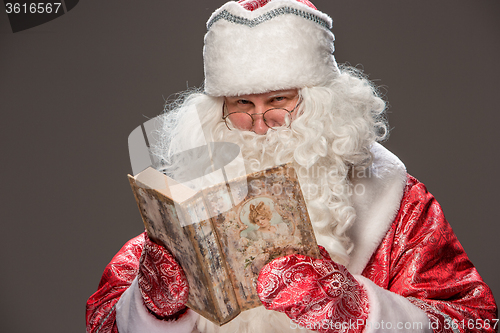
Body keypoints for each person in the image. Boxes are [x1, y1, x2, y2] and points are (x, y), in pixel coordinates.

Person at [86, 0, 498, 332]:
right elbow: (102, 317)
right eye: (242, 104)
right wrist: (150, 305)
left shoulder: (398, 203)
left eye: (279, 100)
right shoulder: (195, 194)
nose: (261, 123)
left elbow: (476, 320)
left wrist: (359, 312)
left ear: (320, 103)